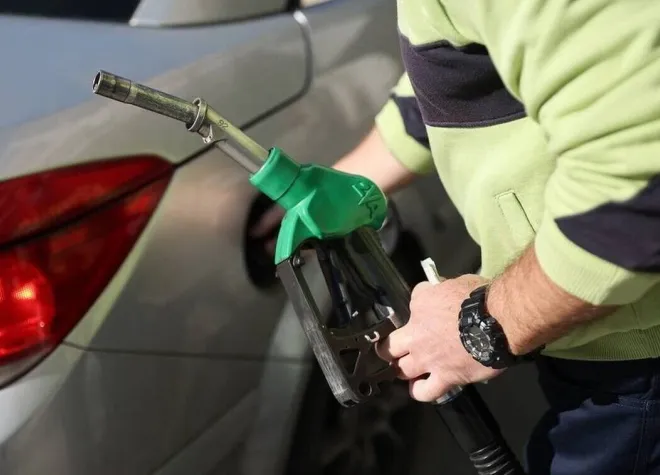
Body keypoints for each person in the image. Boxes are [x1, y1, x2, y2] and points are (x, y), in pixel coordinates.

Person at [251, 0, 660, 473]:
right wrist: (348, 184)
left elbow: (637, 196)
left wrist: (485, 324)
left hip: (637, 360)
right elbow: (460, 64)